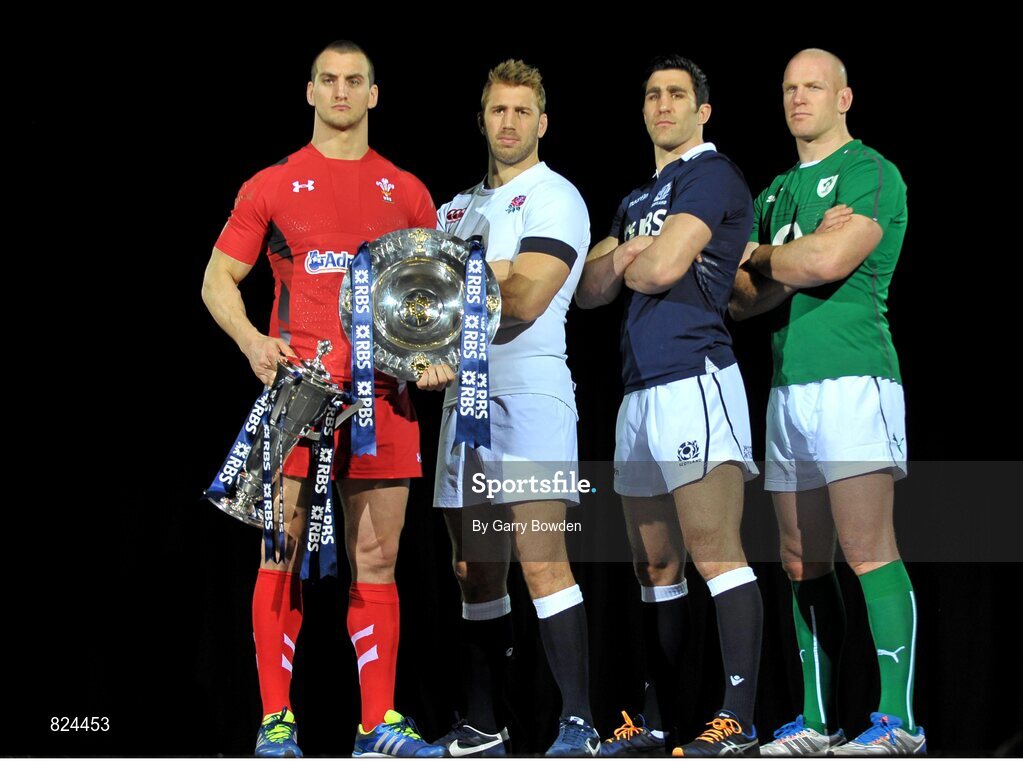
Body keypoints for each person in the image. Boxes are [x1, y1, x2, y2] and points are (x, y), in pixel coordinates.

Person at [201, 40, 445, 759]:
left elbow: (433, 301)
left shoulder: (407, 191)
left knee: (377, 558)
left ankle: (377, 725)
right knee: (278, 554)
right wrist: (252, 341)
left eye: (354, 81)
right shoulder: (272, 184)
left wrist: (433, 358)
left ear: (374, 94)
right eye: (328, 80)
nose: (341, 91)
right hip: (296, 396)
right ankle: (276, 721)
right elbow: (217, 280)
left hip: (383, 398)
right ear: (309, 91)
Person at [730, 48, 925, 756]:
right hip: (788, 387)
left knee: (867, 549)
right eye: (789, 87)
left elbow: (828, 262)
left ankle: (899, 721)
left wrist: (771, 256)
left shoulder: (872, 171)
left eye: (813, 86)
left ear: (844, 98)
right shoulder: (776, 192)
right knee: (799, 560)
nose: (798, 97)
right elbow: (738, 300)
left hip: (854, 378)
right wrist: (789, 254)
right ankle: (817, 720)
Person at [576, 54, 762, 757]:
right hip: (638, 391)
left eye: (677, 94)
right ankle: (660, 722)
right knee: (655, 566)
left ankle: (737, 718)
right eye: (653, 94)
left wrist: (629, 255)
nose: (662, 105)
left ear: (701, 110)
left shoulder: (711, 174)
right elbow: (590, 290)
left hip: (694, 378)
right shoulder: (635, 198)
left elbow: (658, 269)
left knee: (714, 551)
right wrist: (634, 249)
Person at [416, 59, 597, 757]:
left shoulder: (557, 196)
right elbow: (419, 314)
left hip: (529, 396)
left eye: (523, 111)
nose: (510, 122)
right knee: (474, 569)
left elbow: (522, 298)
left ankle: (577, 723)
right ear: (482, 119)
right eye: (499, 110)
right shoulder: (453, 210)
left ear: (542, 122)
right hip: (460, 399)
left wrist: (456, 272)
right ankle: (483, 725)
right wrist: (426, 350)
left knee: (540, 560)